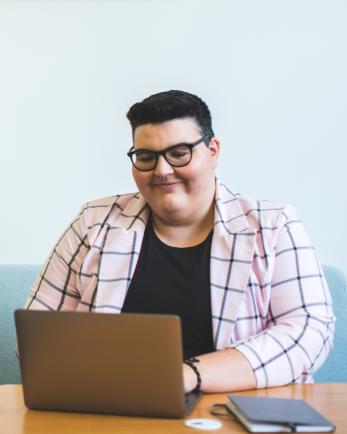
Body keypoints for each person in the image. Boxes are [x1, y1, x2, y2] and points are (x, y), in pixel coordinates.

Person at [24, 90, 335, 394]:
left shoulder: (274, 225)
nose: (162, 170)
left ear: (212, 151)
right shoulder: (94, 222)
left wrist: (187, 375)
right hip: (113, 406)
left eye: (179, 153)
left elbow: (310, 332)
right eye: (146, 157)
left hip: (237, 407)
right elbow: (38, 335)